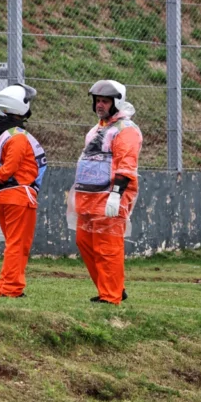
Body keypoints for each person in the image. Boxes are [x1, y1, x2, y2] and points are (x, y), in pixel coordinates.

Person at [66, 79, 142, 306]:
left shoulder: (126, 130)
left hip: (109, 196)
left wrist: (116, 194)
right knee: (85, 242)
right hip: (88, 198)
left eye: (105, 101)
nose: (100, 105)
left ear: (116, 103)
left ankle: (110, 296)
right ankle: (112, 287)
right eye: (98, 101)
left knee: (107, 247)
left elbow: (126, 164)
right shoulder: (96, 130)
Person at [0, 84, 46, 298]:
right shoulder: (17, 136)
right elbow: (9, 167)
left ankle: (4, 287)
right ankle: (11, 288)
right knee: (18, 245)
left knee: (13, 244)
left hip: (5, 195)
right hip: (19, 194)